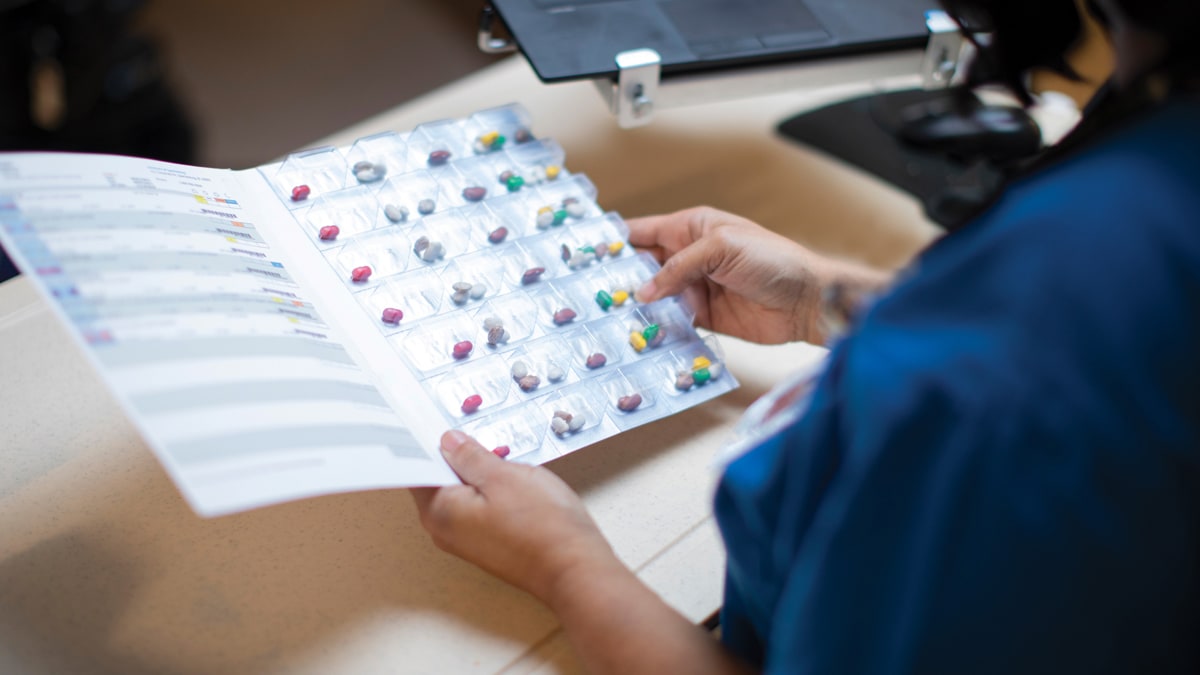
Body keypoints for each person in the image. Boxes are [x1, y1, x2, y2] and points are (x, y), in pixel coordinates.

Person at [412, 0, 1200, 671]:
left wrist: (565, 565)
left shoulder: (1075, 294)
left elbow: (1042, 363)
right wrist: (825, 301)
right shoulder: (1160, 152)